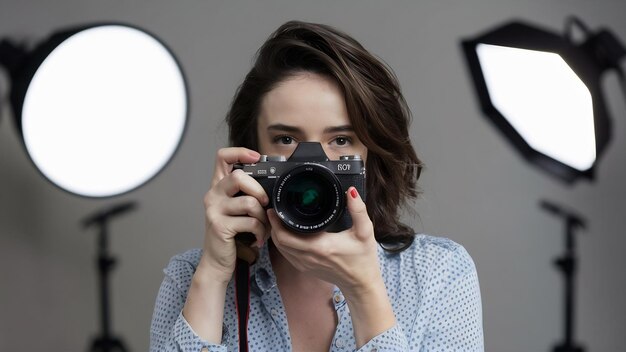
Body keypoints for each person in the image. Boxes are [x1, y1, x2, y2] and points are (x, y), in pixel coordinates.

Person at [150, 21, 483, 352]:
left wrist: (364, 291)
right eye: (285, 139)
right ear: (250, 156)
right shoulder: (192, 277)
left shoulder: (437, 274)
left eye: (340, 140)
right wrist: (214, 275)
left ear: (369, 153)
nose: (313, 166)